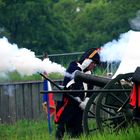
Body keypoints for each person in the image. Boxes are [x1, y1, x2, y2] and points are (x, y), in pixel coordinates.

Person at [54, 48, 100, 140]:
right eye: (93, 63)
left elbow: (90, 90)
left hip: (79, 107)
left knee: (77, 130)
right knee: (62, 127)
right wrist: (78, 99)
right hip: (68, 104)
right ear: (87, 61)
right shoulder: (73, 67)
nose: (94, 65)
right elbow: (70, 85)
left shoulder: (89, 73)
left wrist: (87, 100)